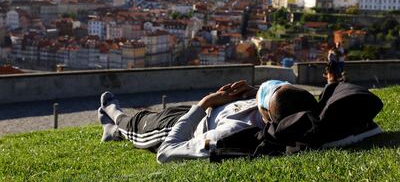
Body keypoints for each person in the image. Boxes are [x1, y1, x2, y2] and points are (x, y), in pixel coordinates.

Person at [98, 80, 318, 163]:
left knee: (137, 122)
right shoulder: (287, 105)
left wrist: (205, 102)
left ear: (265, 114)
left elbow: (166, 152)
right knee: (147, 116)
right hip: (200, 113)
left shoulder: (232, 133)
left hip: (175, 128)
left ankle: (114, 114)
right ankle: (112, 132)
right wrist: (253, 91)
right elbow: (278, 101)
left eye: (264, 94)